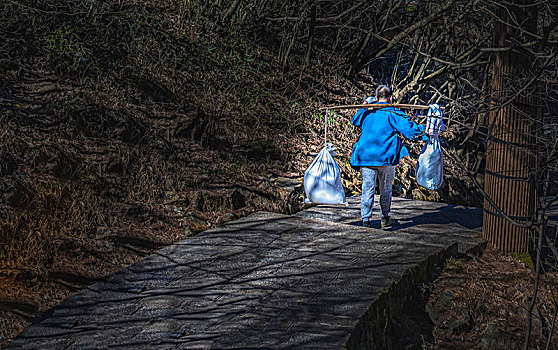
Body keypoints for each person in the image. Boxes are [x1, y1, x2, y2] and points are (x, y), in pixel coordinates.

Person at [350, 85, 426, 229]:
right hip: (385, 157)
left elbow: (355, 120)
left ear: (376, 97)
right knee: (385, 188)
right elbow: (410, 130)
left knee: (367, 187)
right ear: (391, 98)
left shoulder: (367, 111)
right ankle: (385, 218)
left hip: (366, 156)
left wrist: (365, 105)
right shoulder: (392, 112)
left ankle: (365, 219)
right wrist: (426, 130)